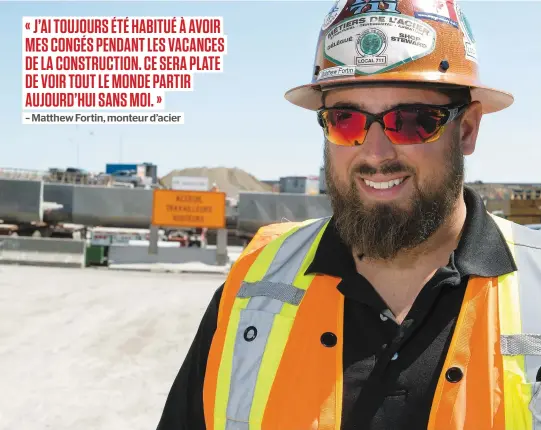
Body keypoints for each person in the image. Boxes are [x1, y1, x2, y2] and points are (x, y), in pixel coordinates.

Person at [156, 0, 541, 428]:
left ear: (466, 129)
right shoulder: (255, 284)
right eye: (345, 119)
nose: (375, 153)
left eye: (411, 120)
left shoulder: (535, 284)